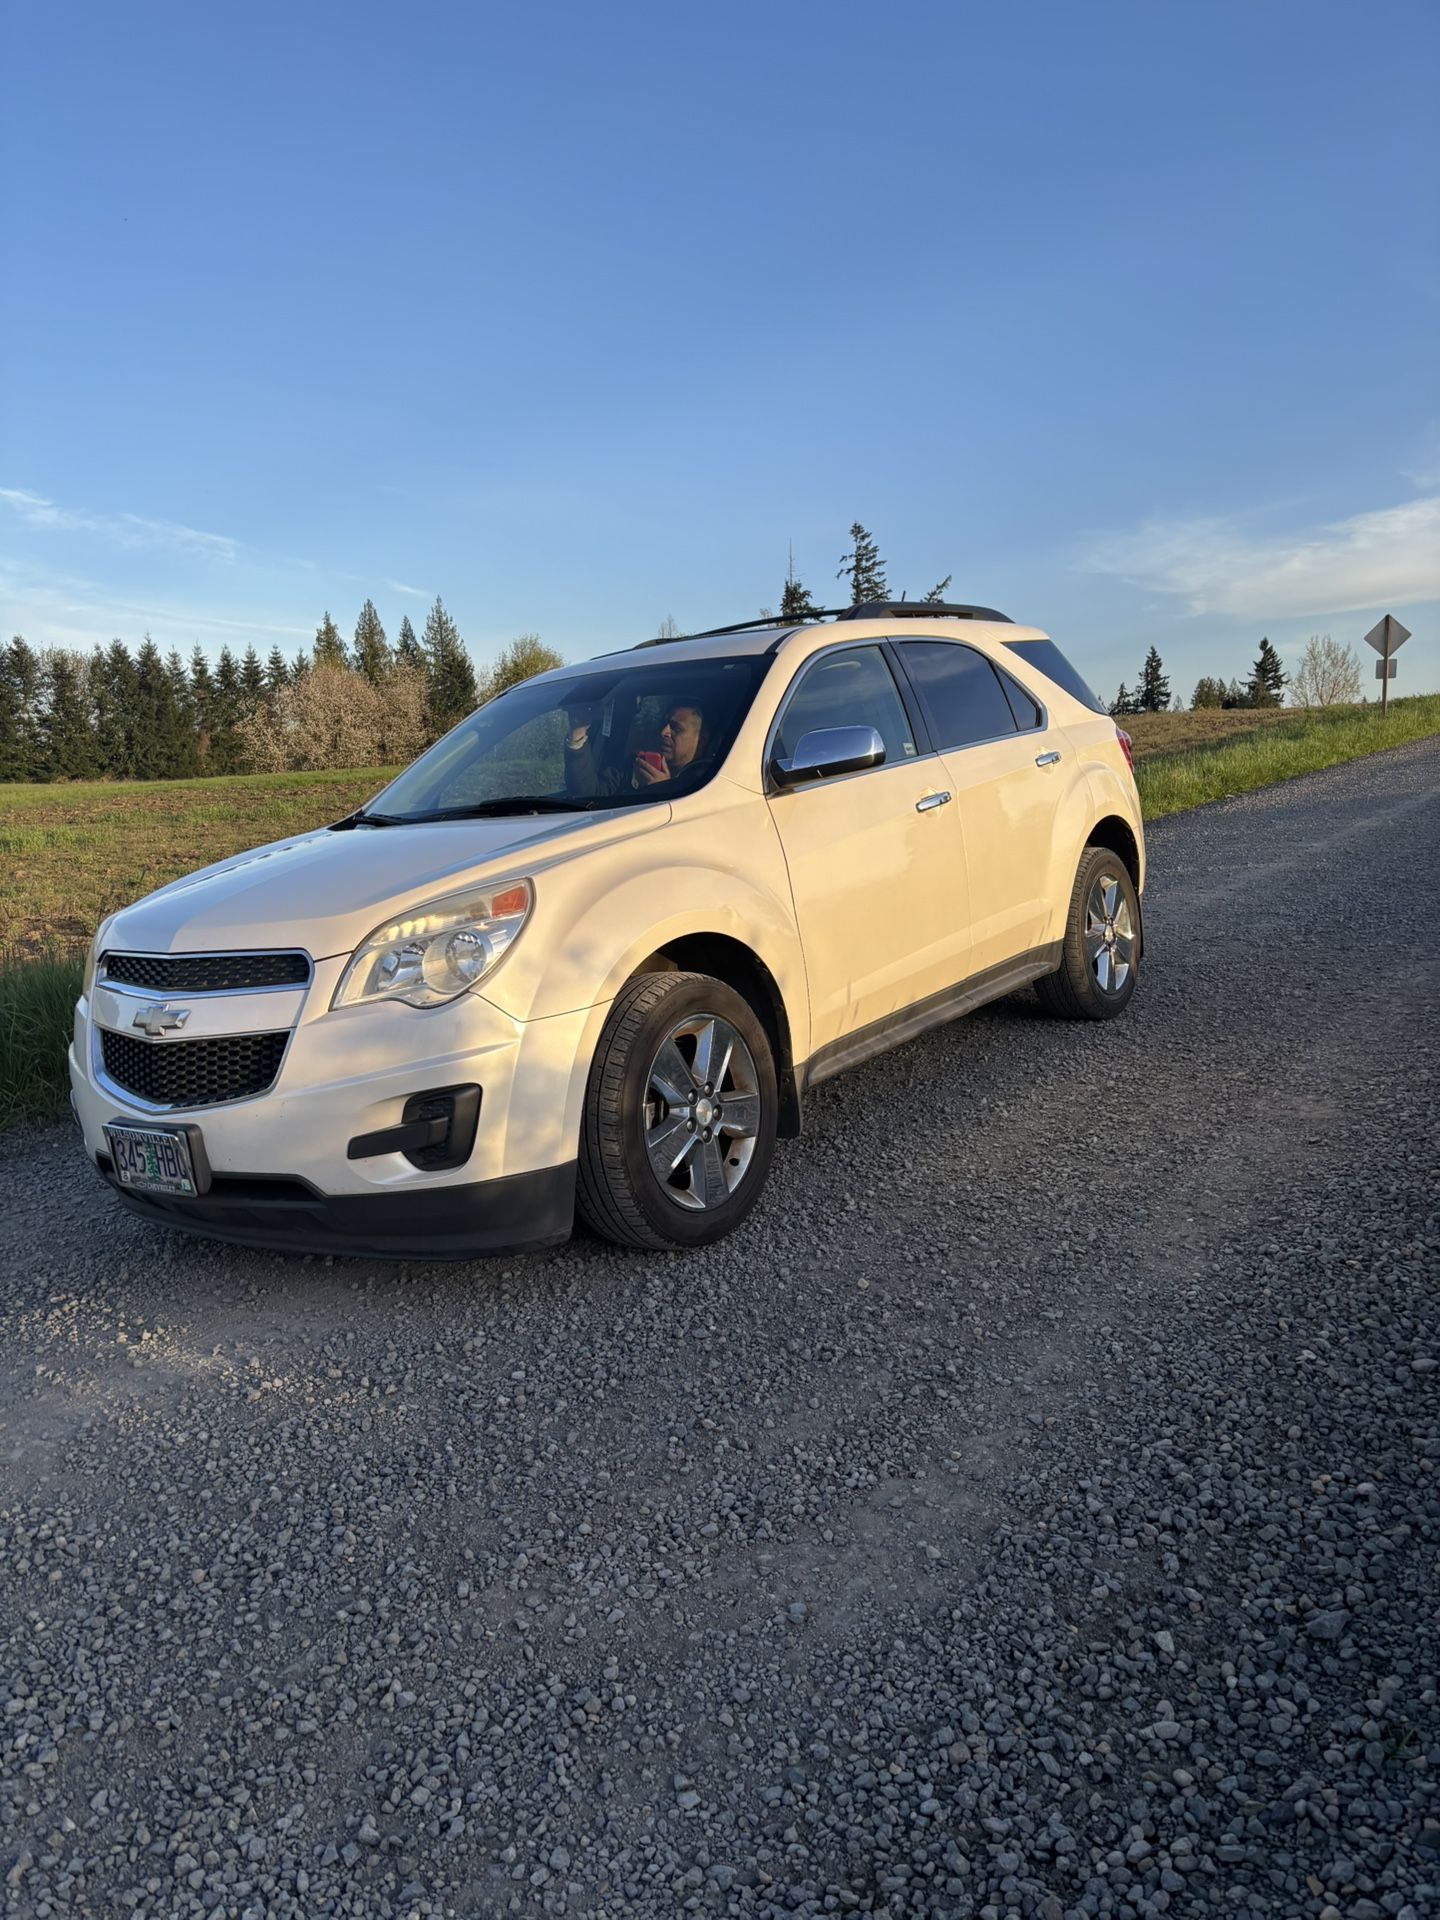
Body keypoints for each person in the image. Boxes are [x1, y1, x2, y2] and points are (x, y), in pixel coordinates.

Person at [564, 700, 709, 798]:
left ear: (701, 740)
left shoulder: (712, 781)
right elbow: (588, 797)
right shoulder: (635, 766)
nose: (664, 732)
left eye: (676, 728)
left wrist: (664, 791)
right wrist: (577, 732)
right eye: (664, 724)